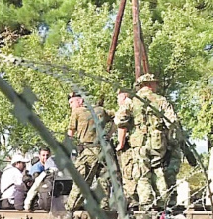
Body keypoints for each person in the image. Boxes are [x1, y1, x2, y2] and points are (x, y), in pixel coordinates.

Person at [115, 74, 170, 211]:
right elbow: (172, 122)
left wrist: (121, 143)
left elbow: (120, 121)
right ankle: (163, 202)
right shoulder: (161, 100)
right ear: (150, 84)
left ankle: (147, 204)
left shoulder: (131, 101)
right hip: (158, 142)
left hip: (139, 142)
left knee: (142, 172)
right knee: (158, 170)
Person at [65, 91, 113, 211]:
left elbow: (70, 133)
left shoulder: (77, 111)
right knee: (103, 180)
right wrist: (110, 134)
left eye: (72, 102)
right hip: (104, 150)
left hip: (88, 150)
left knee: (81, 180)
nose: (71, 105)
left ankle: (70, 208)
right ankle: (104, 208)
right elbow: (117, 117)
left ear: (80, 101)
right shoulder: (100, 110)